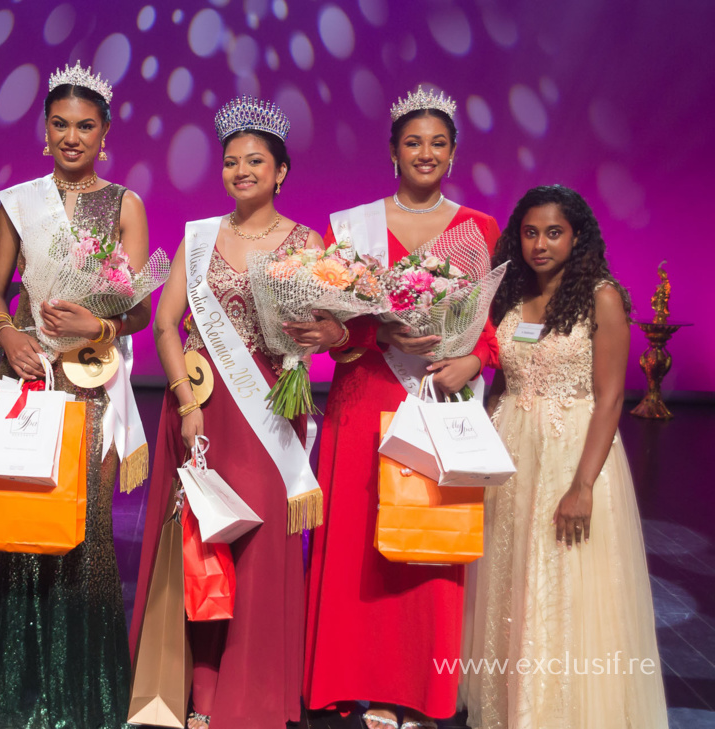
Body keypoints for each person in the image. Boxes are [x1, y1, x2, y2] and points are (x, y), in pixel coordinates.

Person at [297, 87, 502, 729]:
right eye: (413, 142)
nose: (425, 153)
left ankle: (419, 689)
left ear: (453, 152)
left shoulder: (479, 229)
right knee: (361, 544)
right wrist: (377, 330)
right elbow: (332, 326)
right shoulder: (349, 227)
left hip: (437, 395)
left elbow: (490, 325)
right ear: (393, 151)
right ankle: (357, 679)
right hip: (367, 396)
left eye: (438, 143)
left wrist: (476, 360)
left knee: (428, 541)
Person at [128, 96, 321, 729]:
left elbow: (327, 328)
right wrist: (185, 402)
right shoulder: (199, 237)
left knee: (261, 549)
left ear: (280, 171)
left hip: (269, 410)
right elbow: (166, 323)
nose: (242, 171)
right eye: (232, 161)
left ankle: (253, 696)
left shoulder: (307, 243)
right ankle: (200, 694)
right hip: (205, 408)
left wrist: (325, 336)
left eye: (256, 161)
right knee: (202, 547)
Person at [0, 62, 151, 728]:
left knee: (86, 531)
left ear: (104, 134)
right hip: (31, 378)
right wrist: (6, 334)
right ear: (44, 131)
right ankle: (27, 698)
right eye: (60, 124)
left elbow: (139, 309)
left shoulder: (125, 204)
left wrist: (98, 325)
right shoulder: (18, 202)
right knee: (25, 529)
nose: (71, 137)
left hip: (92, 384)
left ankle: (87, 698)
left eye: (84, 126)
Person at [461, 185, 667, 728]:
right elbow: (502, 382)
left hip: (572, 451)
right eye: (531, 233)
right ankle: (511, 702)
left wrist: (582, 486)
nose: (540, 244)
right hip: (511, 450)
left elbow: (611, 398)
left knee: (564, 582)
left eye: (554, 233)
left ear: (577, 237)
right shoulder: (510, 295)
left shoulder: (602, 296)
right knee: (511, 577)